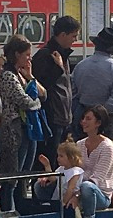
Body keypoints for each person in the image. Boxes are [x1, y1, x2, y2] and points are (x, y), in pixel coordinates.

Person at [0, 35, 45, 214]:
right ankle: (8, 210)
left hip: (28, 128)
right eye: (26, 54)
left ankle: (21, 209)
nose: (29, 58)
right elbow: (24, 101)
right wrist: (37, 103)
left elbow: (43, 93)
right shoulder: (8, 76)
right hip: (14, 129)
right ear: (16, 54)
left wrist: (31, 77)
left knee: (25, 173)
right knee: (12, 175)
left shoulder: (21, 75)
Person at [32, 15, 80, 163]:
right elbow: (42, 85)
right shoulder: (46, 55)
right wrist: (58, 68)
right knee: (50, 159)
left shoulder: (62, 55)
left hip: (63, 117)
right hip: (52, 116)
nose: (75, 40)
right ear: (63, 35)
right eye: (73, 36)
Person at [71, 28, 113, 139]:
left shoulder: (81, 65)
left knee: (82, 152)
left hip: (83, 116)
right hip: (107, 118)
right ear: (112, 48)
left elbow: (73, 93)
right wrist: (100, 114)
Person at [74, 105, 113, 218]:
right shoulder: (79, 144)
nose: (83, 122)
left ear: (98, 123)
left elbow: (97, 178)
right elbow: (72, 168)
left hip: (100, 195)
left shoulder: (107, 147)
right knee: (40, 186)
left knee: (87, 186)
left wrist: (76, 187)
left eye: (88, 119)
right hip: (79, 188)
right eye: (83, 118)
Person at [32, 141, 84, 218]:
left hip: (71, 199)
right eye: (58, 156)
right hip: (59, 198)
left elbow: (70, 189)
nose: (58, 158)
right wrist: (47, 165)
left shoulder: (75, 171)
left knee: (74, 211)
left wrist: (64, 202)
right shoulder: (61, 169)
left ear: (71, 158)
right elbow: (53, 178)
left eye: (61, 156)